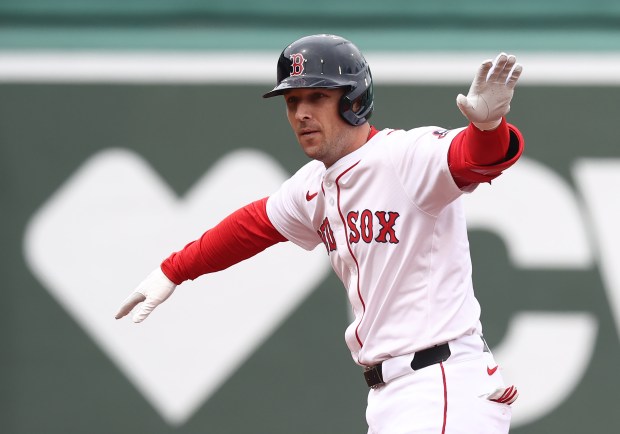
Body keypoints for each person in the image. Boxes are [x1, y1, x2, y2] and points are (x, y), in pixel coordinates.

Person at [115, 34, 523, 433]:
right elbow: (251, 226)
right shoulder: (313, 185)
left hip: (443, 383)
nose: (301, 113)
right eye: (293, 101)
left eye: (317, 97)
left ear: (355, 100)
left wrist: (489, 128)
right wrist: (173, 270)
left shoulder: (404, 156)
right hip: (392, 396)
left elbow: (475, 158)